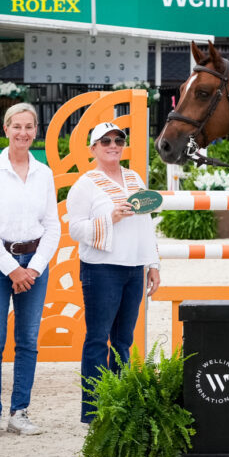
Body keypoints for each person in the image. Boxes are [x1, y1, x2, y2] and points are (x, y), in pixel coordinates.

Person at [0, 102, 60, 437]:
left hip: (34, 264)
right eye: (17, 126)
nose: (23, 132)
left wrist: (33, 269)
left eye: (29, 126)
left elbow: (52, 226)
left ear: (36, 131)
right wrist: (12, 269)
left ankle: (19, 412)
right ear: (6, 129)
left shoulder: (44, 173)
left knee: (28, 341)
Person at [66, 121, 161, 423]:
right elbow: (75, 228)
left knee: (123, 341)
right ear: (93, 148)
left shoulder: (134, 178)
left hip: (134, 268)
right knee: (97, 339)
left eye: (118, 140)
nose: (113, 146)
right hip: (101, 269)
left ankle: (118, 406)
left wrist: (153, 263)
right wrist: (110, 218)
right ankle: (94, 412)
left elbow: (146, 223)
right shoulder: (85, 185)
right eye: (105, 141)